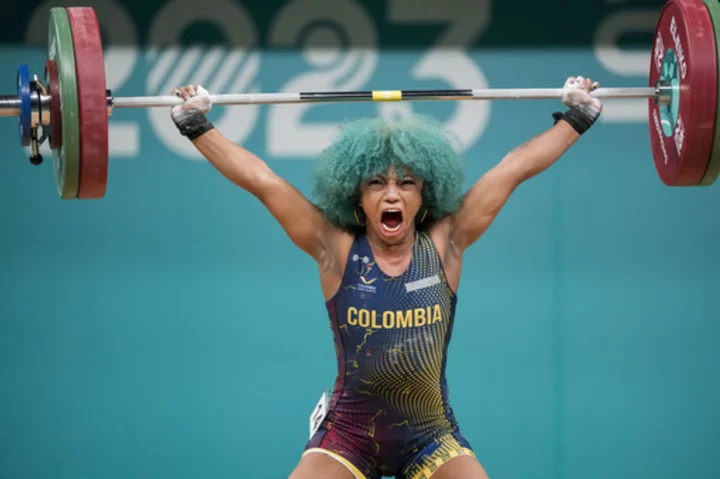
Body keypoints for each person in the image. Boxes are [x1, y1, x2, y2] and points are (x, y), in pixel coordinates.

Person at [169, 75, 602, 479]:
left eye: (406, 183)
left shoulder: (447, 241)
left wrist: (576, 119)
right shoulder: (334, 247)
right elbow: (263, 181)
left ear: (423, 195)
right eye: (377, 183)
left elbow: (514, 168)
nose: (392, 193)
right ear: (358, 196)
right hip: (348, 435)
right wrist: (196, 126)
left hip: (429, 435)